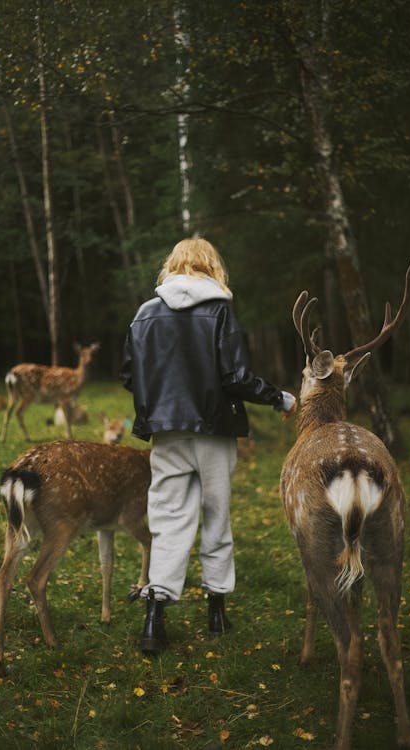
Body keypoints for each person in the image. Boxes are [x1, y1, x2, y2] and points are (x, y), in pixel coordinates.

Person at [120, 237, 296, 655]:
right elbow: (235, 377)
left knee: (167, 519)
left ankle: (153, 622)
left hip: (166, 432)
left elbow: (129, 375)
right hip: (214, 431)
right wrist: (278, 397)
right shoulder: (219, 311)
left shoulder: (145, 314)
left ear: (172, 265)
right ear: (212, 266)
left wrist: (156, 406)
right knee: (216, 517)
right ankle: (216, 614)